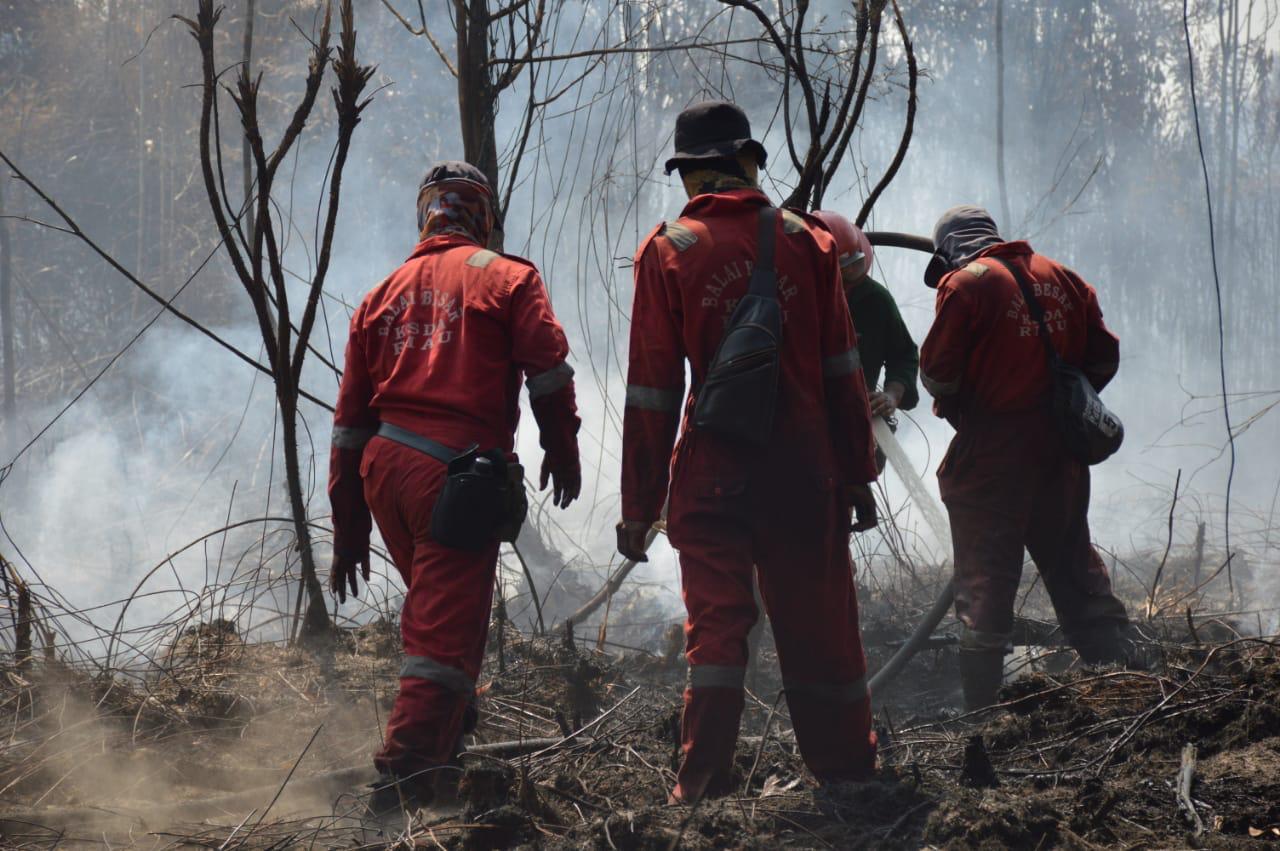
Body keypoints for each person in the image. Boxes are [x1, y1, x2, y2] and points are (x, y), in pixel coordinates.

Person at [617, 100, 880, 803]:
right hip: (804, 471)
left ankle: (701, 788)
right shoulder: (809, 241)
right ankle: (849, 773)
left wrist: (638, 507)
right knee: (821, 625)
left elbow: (652, 393)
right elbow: (841, 374)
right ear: (748, 162)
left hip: (712, 478)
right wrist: (858, 473)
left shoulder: (667, 249)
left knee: (717, 632)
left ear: (692, 174)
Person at [327, 161, 582, 807]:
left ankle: (448, 743)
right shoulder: (509, 278)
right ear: (483, 217)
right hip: (456, 481)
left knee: (449, 614)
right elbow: (549, 371)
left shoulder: (379, 295)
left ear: (426, 215)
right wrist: (562, 447)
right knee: (442, 640)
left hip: (386, 474)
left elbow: (349, 428)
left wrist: (350, 530)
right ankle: (404, 781)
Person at [919, 204, 1130, 712]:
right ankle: (1129, 684)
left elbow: (937, 373)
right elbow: (1103, 356)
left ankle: (983, 715)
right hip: (1061, 453)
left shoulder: (964, 285)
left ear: (949, 250)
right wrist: (1062, 400)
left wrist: (968, 408)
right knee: (1074, 563)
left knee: (985, 581)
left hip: (991, 455)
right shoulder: (1063, 277)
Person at [813, 210, 920, 469]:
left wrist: (892, 396)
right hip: (802, 425)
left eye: (855, 266)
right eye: (844, 272)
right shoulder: (794, 295)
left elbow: (903, 355)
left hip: (855, 425)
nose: (854, 277)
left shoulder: (876, 300)